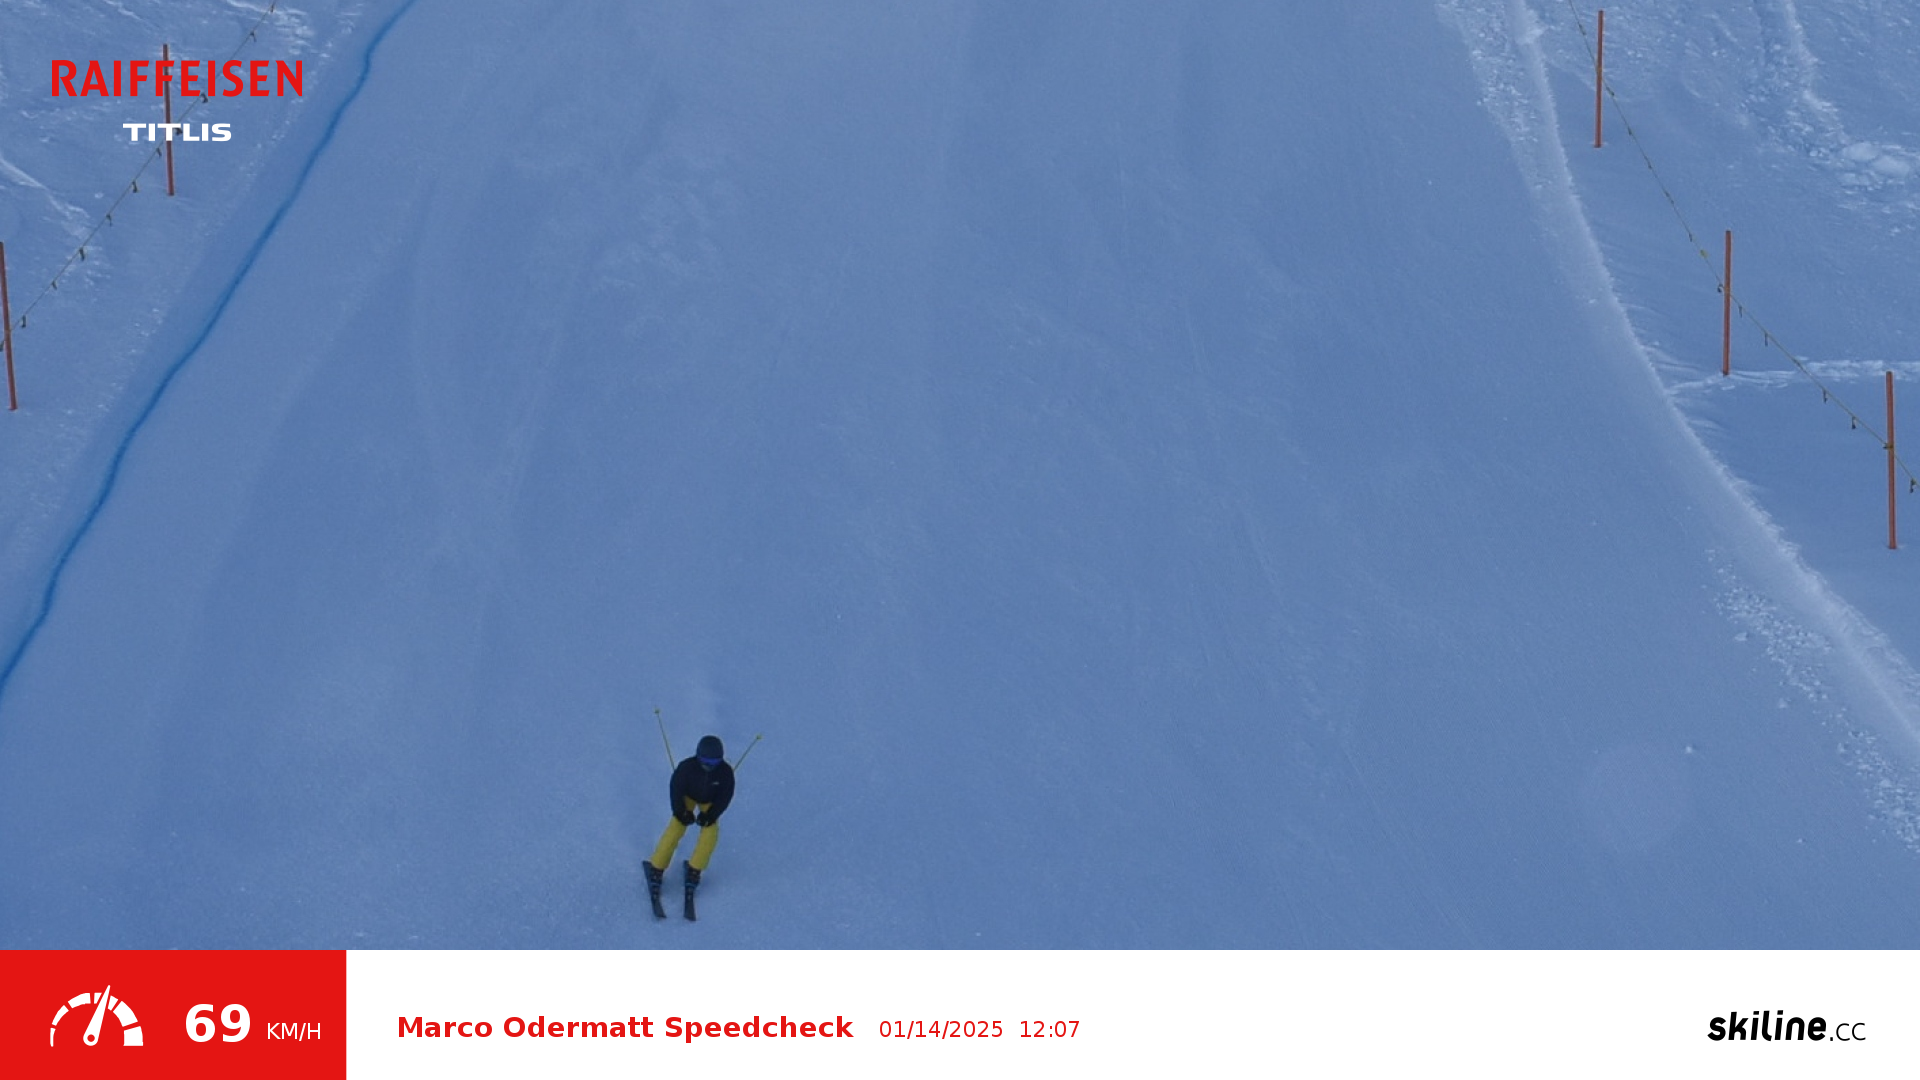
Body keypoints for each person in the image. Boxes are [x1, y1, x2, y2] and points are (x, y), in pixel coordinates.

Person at [645, 735, 734, 910]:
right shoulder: (687, 767)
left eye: (714, 762)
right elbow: (676, 789)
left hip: (709, 801)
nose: (709, 765)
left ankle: (695, 869)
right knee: (676, 827)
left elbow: (725, 797)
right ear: (698, 756)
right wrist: (680, 811)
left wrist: (711, 815)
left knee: (711, 832)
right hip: (688, 797)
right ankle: (657, 867)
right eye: (705, 761)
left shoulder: (725, 773)